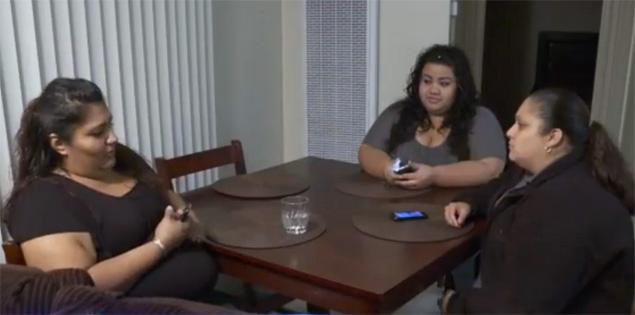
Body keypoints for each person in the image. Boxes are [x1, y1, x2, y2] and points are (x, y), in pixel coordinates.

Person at [3, 78, 217, 300]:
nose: (112, 138)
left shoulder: (120, 159)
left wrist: (186, 215)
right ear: (59, 144)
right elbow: (75, 294)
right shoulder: (41, 202)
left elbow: (163, 192)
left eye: (110, 125)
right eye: (97, 133)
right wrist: (161, 245)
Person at [442, 88, 634, 313]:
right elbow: (502, 188)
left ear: (553, 137)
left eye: (521, 125)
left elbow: (521, 308)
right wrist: (469, 202)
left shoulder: (564, 206)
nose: (509, 132)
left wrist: (452, 304)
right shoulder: (536, 171)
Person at [359, 44, 506, 190]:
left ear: (460, 87)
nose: (433, 90)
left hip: (454, 209)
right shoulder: (399, 111)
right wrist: (386, 169)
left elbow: (492, 168)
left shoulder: (480, 118)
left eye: (444, 83)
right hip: (396, 204)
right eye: (427, 81)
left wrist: (434, 176)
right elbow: (367, 150)